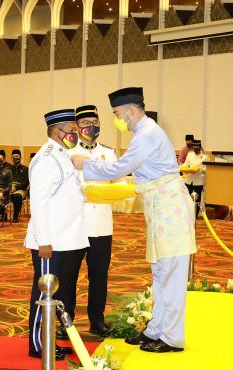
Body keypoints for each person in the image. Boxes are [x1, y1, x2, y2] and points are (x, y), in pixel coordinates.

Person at [71, 87, 196, 353]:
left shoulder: (147, 135)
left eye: (117, 114)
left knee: (171, 274)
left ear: (130, 111)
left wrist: (86, 165)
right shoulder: (144, 133)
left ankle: (172, 337)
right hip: (160, 209)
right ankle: (156, 330)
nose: (116, 119)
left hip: (170, 210)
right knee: (160, 273)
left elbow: (120, 168)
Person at [26, 109, 88, 360]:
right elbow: (38, 203)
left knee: (58, 294)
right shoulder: (46, 158)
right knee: (45, 293)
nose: (76, 134)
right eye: (72, 130)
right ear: (57, 131)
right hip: (51, 242)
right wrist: (44, 241)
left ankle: (49, 341)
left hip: (68, 239)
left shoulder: (64, 155)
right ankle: (37, 345)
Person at [67, 105, 117, 339]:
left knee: (99, 276)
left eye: (95, 123)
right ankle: (66, 322)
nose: (91, 127)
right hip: (75, 223)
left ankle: (97, 321)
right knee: (69, 275)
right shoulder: (68, 152)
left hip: (101, 224)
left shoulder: (109, 153)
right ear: (77, 126)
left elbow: (115, 182)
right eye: (86, 123)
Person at [182, 139, 209, 217]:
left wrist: (199, 170)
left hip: (199, 181)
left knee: (197, 199)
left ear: (200, 147)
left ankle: (195, 215)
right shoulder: (190, 155)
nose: (195, 148)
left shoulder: (205, 157)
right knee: (187, 197)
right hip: (189, 180)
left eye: (197, 147)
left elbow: (207, 169)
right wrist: (180, 168)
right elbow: (185, 165)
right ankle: (187, 215)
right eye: (194, 146)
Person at [9, 149, 29, 223]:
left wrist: (16, 188)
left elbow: (26, 182)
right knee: (1, 195)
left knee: (17, 196)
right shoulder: (9, 168)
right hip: (9, 188)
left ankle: (15, 216)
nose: (16, 158)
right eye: (14, 156)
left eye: (17, 156)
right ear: (12, 158)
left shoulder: (25, 169)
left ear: (20, 157)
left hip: (21, 189)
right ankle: (3, 216)